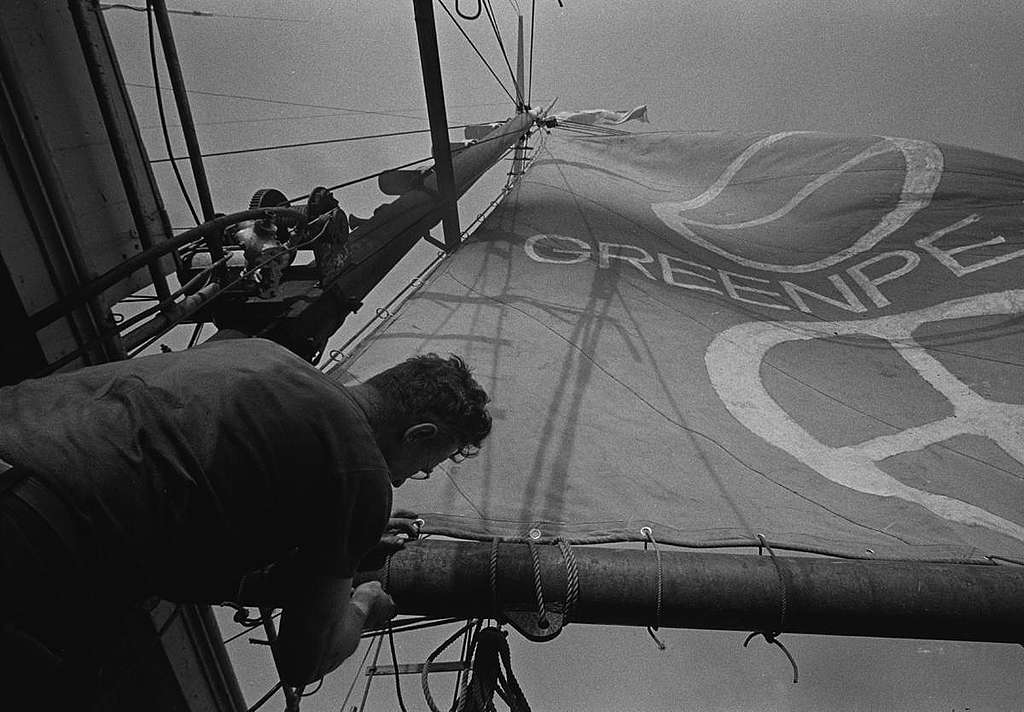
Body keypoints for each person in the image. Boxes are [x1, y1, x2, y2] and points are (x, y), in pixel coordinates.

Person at [0, 337, 491, 701]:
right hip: (35, 531)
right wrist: (363, 605)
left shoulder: (262, 353)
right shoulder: (359, 473)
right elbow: (306, 659)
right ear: (418, 433)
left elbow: (184, 504)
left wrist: (334, 535)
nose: (409, 479)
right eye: (426, 464)